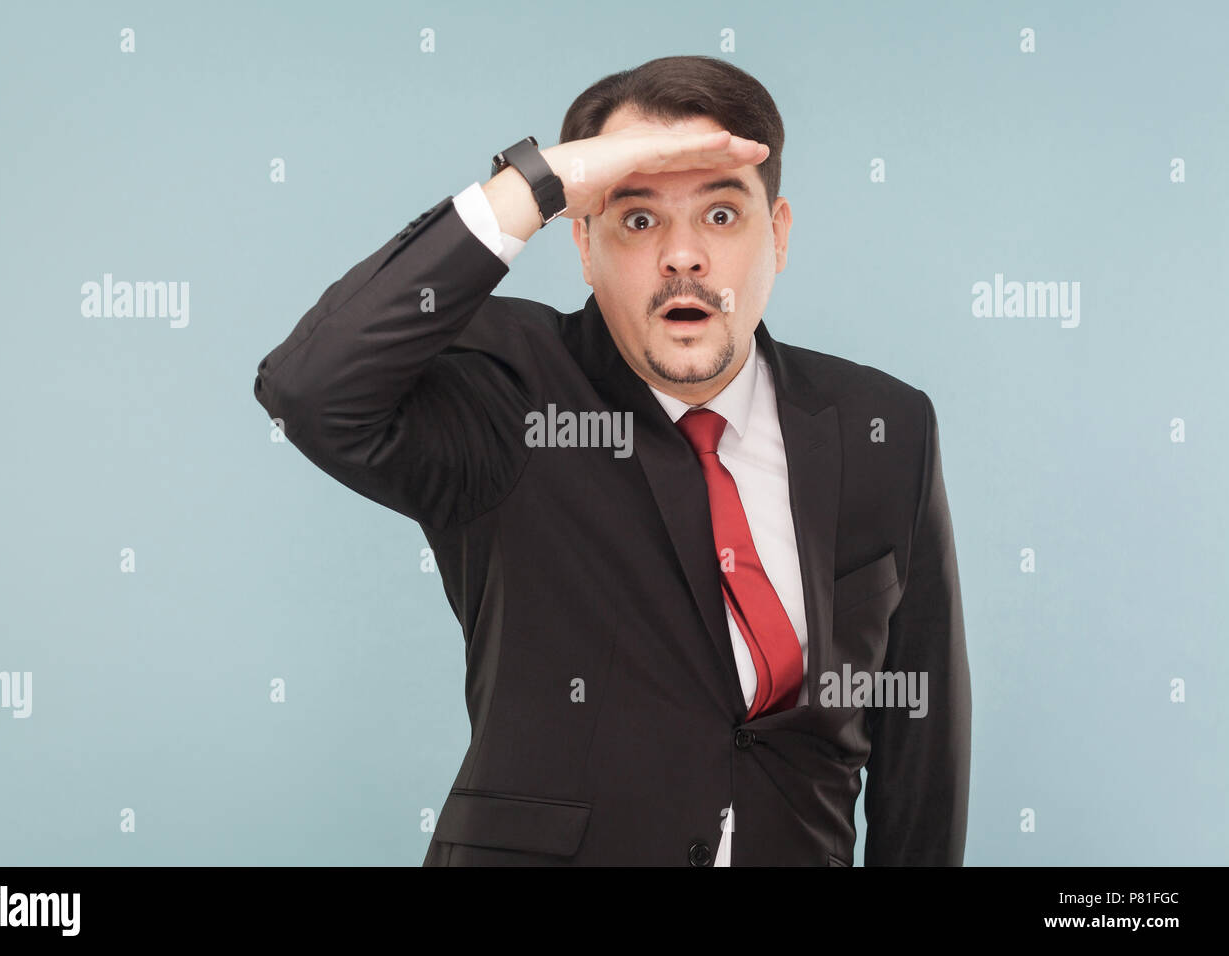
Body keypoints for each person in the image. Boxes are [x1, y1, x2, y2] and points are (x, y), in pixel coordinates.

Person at [253, 55, 971, 866]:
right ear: (584, 246)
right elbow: (309, 389)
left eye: (722, 216)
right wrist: (535, 184)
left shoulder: (885, 424)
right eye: (637, 220)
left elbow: (922, 744)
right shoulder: (513, 392)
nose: (683, 257)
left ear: (779, 236)